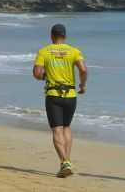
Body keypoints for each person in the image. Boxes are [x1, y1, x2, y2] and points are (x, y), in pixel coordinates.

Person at [33, 24, 88, 178]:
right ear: (65, 36)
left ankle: (65, 162)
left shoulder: (44, 51)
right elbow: (83, 70)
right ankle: (67, 161)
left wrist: (46, 76)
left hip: (53, 94)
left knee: (57, 129)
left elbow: (37, 74)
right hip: (70, 95)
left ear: (52, 36)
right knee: (66, 127)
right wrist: (82, 85)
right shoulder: (74, 51)